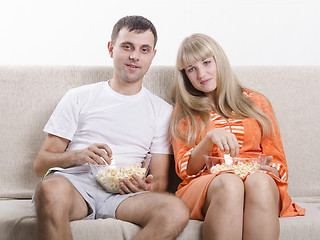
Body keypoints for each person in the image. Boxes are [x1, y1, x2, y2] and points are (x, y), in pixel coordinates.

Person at [32, 15, 189, 240]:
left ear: (152, 56)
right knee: (48, 190)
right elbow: (40, 165)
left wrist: (147, 185)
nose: (134, 56)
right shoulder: (78, 97)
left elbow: (161, 180)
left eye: (144, 50)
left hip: (124, 195)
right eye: (127, 47)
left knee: (175, 210)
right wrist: (79, 155)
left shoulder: (162, 111)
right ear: (111, 48)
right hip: (75, 186)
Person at [170, 33, 305, 240]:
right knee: (229, 183)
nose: (201, 74)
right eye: (191, 69)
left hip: (257, 179)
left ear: (219, 61)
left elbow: (279, 164)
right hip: (207, 183)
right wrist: (209, 139)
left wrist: (269, 169)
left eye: (206, 63)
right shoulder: (184, 111)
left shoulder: (256, 102)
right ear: (185, 76)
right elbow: (185, 170)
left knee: (259, 182)